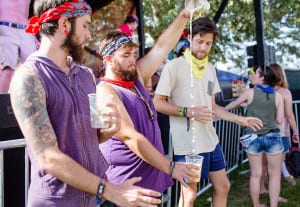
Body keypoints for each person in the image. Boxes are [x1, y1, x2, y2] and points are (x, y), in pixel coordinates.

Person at [9, 1, 163, 206]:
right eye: (85, 25)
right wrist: (110, 191)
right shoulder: (28, 78)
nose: (89, 35)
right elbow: (48, 157)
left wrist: (110, 129)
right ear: (64, 24)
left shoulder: (86, 75)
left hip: (91, 199)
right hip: (55, 201)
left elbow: (95, 135)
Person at [97, 4, 204, 206]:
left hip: (150, 187)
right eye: (125, 56)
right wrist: (171, 167)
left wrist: (183, 15)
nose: (132, 60)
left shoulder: (134, 79)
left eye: (133, 54)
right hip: (126, 191)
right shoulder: (105, 91)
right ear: (109, 60)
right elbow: (129, 136)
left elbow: (162, 47)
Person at [153, 17, 263, 207]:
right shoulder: (174, 66)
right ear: (190, 39)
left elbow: (213, 107)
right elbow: (157, 103)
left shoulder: (210, 69)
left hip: (211, 141)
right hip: (188, 145)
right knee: (190, 194)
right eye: (200, 42)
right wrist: (187, 111)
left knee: (223, 186)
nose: (203, 47)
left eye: (208, 43)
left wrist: (239, 119)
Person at [225, 65, 284, 207]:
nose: (252, 75)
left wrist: (222, 109)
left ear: (262, 77)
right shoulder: (278, 96)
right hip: (273, 137)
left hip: (253, 138)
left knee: (256, 174)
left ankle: (256, 204)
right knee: (275, 174)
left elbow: (231, 106)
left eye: (255, 73)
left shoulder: (249, 92)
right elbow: (280, 120)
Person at [0, 0, 37, 93]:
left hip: (25, 29)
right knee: (7, 69)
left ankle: (31, 101)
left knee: (34, 68)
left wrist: (34, 35)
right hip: (5, 26)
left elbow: (35, 11)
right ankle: (1, 104)